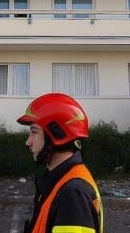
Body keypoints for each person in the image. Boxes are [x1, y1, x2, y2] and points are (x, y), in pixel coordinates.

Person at [17, 93, 104, 233]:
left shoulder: (73, 194)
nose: (28, 142)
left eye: (34, 132)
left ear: (57, 134)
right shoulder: (59, 179)